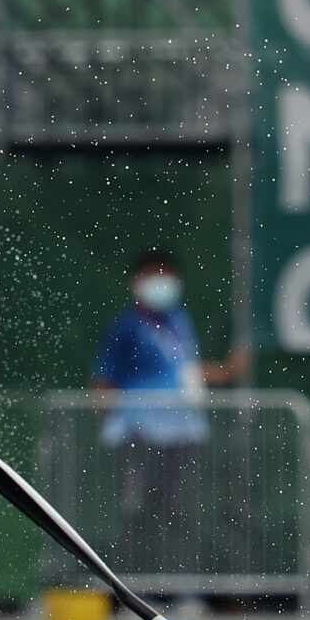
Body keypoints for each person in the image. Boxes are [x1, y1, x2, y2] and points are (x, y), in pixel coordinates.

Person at [89, 250, 250, 593]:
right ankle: (134, 593)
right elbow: (103, 381)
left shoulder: (180, 321)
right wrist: (112, 418)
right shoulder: (126, 328)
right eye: (153, 274)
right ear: (137, 282)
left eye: (167, 274)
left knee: (182, 512)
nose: (162, 282)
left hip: (183, 431)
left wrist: (222, 372)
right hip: (140, 431)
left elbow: (183, 373)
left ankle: (185, 592)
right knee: (137, 512)